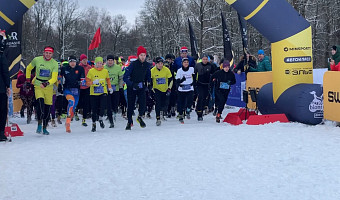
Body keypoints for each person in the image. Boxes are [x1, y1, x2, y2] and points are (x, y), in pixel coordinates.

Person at [26, 46, 58, 135]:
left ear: (52, 54)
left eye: (50, 53)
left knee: (47, 108)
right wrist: (28, 80)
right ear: (43, 53)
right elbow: (28, 68)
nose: (48, 55)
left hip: (48, 87)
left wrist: (47, 83)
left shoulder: (54, 63)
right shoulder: (37, 60)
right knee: (40, 103)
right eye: (46, 53)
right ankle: (39, 124)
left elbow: (54, 78)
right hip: (38, 84)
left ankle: (44, 127)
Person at [123, 46, 151, 130]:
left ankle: (139, 117)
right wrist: (132, 84)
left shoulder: (147, 65)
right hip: (132, 87)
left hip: (141, 86)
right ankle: (129, 121)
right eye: (141, 55)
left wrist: (148, 84)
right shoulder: (133, 64)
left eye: (144, 55)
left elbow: (148, 75)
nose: (143, 57)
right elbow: (125, 77)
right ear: (138, 56)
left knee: (143, 104)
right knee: (131, 105)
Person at [86, 57, 113, 132]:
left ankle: (100, 118)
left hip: (103, 91)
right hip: (93, 93)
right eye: (98, 63)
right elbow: (87, 83)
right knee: (94, 109)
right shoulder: (91, 71)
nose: (99, 65)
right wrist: (93, 83)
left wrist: (110, 88)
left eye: (101, 63)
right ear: (95, 63)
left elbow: (108, 80)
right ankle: (94, 124)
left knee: (103, 106)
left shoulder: (105, 71)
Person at [60, 55, 85, 133]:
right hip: (67, 89)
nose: (72, 63)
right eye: (71, 62)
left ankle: (70, 116)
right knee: (71, 102)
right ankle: (68, 123)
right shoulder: (64, 68)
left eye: (74, 61)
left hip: (76, 90)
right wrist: (59, 85)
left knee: (73, 107)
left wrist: (80, 82)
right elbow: (60, 78)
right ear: (69, 62)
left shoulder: (80, 69)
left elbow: (83, 80)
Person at [151, 57, 173, 126]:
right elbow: (150, 81)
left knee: (165, 103)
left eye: (161, 63)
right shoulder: (152, 71)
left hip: (165, 89)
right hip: (156, 89)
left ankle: (162, 113)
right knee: (158, 103)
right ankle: (158, 118)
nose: (160, 65)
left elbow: (171, 80)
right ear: (156, 64)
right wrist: (151, 88)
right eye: (159, 64)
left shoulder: (166, 70)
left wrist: (169, 88)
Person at [104, 55, 124, 128]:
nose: (110, 62)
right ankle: (111, 121)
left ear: (113, 61)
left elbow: (121, 78)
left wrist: (120, 86)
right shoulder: (104, 68)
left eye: (111, 60)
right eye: (108, 60)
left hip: (116, 88)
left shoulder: (118, 68)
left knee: (115, 104)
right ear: (107, 61)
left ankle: (114, 112)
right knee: (108, 105)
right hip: (107, 88)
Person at [195, 54, 216, 121]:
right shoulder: (198, 65)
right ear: (201, 59)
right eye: (204, 59)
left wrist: (212, 81)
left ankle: (202, 108)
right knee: (200, 97)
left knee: (205, 98)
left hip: (207, 84)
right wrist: (194, 82)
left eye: (206, 59)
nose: (205, 60)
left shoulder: (211, 66)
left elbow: (214, 74)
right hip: (200, 84)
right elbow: (194, 74)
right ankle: (199, 113)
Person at [176, 58, 195, 123]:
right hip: (182, 89)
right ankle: (181, 115)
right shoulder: (179, 71)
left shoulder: (191, 69)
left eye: (187, 62)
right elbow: (177, 81)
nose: (186, 63)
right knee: (181, 103)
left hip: (190, 88)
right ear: (182, 63)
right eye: (184, 62)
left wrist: (193, 83)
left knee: (190, 101)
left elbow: (194, 77)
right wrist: (182, 80)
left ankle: (188, 110)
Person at [0, 29, 10, 142]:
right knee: (2, 110)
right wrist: (8, 85)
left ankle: (1, 133)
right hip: (1, 89)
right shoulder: (2, 57)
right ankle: (1, 133)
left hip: (1, 88)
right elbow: (5, 72)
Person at [78, 54, 93, 126]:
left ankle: (84, 119)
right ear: (81, 60)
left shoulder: (89, 67)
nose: (85, 61)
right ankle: (75, 113)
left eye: (86, 59)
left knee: (86, 103)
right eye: (83, 60)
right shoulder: (78, 67)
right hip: (79, 87)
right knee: (79, 102)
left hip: (87, 87)